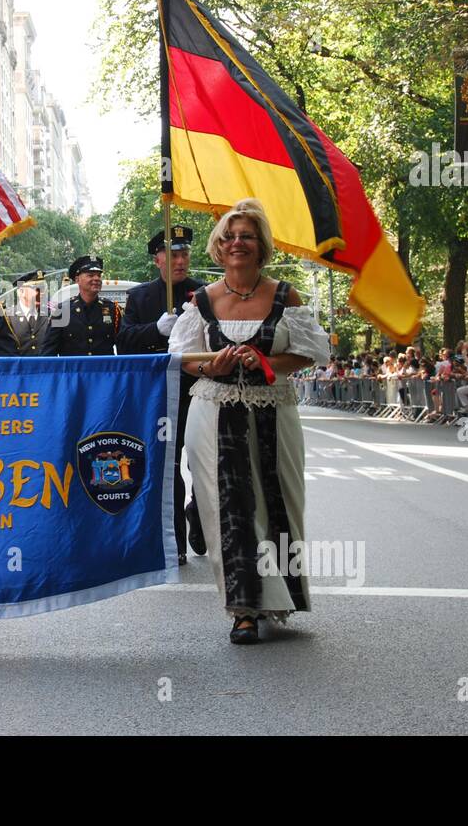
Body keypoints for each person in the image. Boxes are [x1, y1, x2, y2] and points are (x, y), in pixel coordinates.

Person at [167, 199, 330, 644]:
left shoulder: (284, 295)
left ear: (261, 247)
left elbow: (310, 353)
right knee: (228, 506)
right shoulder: (201, 301)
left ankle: (280, 594)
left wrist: (266, 361)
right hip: (213, 409)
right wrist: (210, 367)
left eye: (247, 236)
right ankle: (243, 609)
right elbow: (182, 359)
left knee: (278, 501)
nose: (237, 242)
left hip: (273, 410)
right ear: (218, 247)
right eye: (230, 236)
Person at [117, 225, 207, 563]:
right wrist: (155, 329)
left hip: (197, 389)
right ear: (158, 260)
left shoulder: (205, 292)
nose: (180, 260)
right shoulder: (139, 297)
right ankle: (176, 544)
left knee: (202, 461)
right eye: (172, 255)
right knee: (168, 467)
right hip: (159, 393)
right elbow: (123, 341)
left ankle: (198, 513)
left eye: (184, 254)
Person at [39, 256, 121, 356]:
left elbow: (123, 346)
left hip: (104, 371)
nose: (96, 279)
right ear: (77, 279)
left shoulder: (112, 309)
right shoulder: (62, 310)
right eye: (90, 275)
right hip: (72, 371)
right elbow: (48, 351)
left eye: (99, 275)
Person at [0, 270, 52, 357]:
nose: (42, 292)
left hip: (45, 369)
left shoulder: (51, 316)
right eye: (36, 289)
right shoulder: (6, 317)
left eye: (43, 288)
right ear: (21, 292)